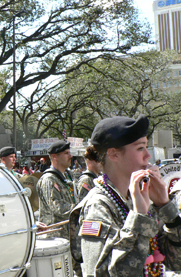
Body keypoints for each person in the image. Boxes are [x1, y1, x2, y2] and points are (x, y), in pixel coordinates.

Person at [69, 115, 181, 276]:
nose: (148, 156)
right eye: (140, 148)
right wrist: (139, 217)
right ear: (114, 154)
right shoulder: (97, 205)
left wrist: (165, 207)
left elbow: (176, 261)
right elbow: (105, 273)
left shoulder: (137, 197)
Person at [36, 140, 75, 239]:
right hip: (54, 237)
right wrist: (80, 209)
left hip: (67, 236)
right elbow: (58, 208)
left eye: (69, 153)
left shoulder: (67, 176)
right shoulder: (49, 179)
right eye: (66, 153)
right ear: (55, 157)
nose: (70, 156)